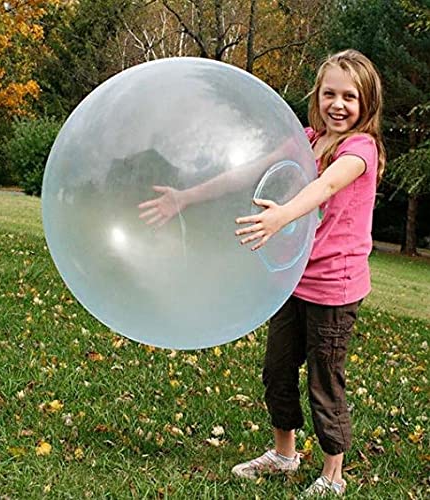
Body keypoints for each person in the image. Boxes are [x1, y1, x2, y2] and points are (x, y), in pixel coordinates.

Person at [139, 49, 385, 497]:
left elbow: (326, 185)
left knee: (324, 379)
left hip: (335, 286)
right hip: (292, 278)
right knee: (277, 370)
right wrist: (186, 197)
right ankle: (284, 454)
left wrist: (282, 216)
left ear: (366, 102)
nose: (338, 104)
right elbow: (247, 173)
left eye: (350, 96)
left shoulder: (360, 149)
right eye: (329, 93)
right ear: (317, 95)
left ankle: (334, 475)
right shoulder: (307, 138)